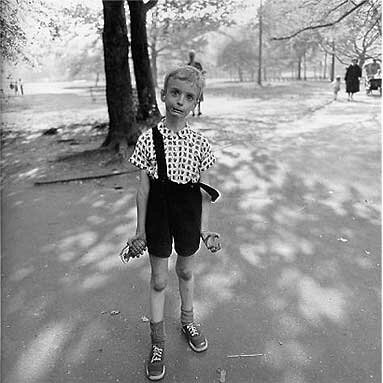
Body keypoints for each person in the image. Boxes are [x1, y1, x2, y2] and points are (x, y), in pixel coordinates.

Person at [127, 65, 221, 381]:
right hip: (157, 214)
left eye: (189, 97)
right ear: (164, 94)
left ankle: (188, 320)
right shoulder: (148, 139)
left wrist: (205, 230)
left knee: (185, 270)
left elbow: (206, 192)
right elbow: (143, 189)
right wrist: (139, 230)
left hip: (187, 214)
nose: (180, 101)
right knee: (158, 280)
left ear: (196, 103)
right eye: (175, 93)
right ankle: (157, 342)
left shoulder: (200, 144)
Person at [187, 51, 205, 116]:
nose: (191, 57)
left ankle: (198, 111)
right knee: (192, 97)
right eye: (190, 55)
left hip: (198, 82)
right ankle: (193, 111)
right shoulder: (188, 65)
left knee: (198, 97)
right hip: (191, 83)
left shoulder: (197, 64)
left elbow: (201, 71)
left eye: (192, 55)